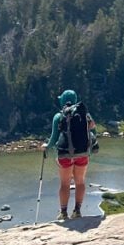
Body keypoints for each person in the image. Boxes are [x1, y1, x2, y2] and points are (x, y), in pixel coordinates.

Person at [41, 89, 96, 220]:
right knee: (80, 182)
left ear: (62, 101)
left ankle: (63, 213)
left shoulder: (59, 116)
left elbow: (54, 139)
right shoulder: (85, 114)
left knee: (65, 184)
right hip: (82, 154)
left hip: (65, 155)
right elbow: (93, 133)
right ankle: (77, 211)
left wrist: (46, 147)